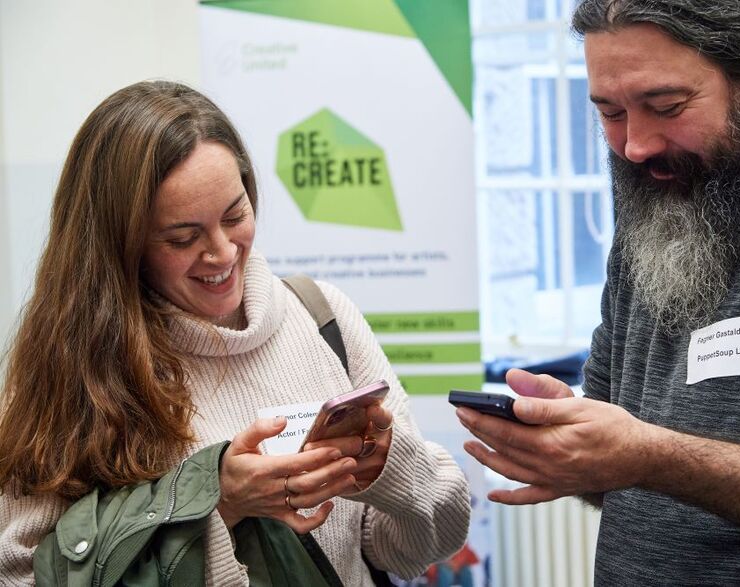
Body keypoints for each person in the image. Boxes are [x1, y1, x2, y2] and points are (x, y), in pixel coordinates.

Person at [456, 0, 740, 584]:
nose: (635, 145)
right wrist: (572, 438)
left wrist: (650, 456)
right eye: (610, 113)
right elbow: (620, 467)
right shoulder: (665, 196)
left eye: (665, 107)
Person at [0, 80, 470, 585]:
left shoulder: (322, 316)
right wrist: (218, 506)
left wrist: (387, 469)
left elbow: (411, 549)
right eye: (183, 237)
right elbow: (20, 573)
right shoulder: (74, 367)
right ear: (120, 245)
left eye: (235, 215)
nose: (222, 253)